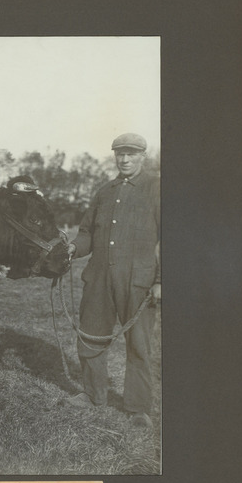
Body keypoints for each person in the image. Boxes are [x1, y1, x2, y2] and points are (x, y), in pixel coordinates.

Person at [65, 133, 161, 427]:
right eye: (120, 153)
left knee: (139, 344)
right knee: (91, 335)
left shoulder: (157, 188)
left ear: (143, 156)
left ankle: (138, 408)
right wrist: (72, 248)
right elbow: (86, 233)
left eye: (131, 153)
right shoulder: (104, 191)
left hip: (139, 282)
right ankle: (93, 394)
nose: (125, 159)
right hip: (99, 279)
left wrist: (161, 280)